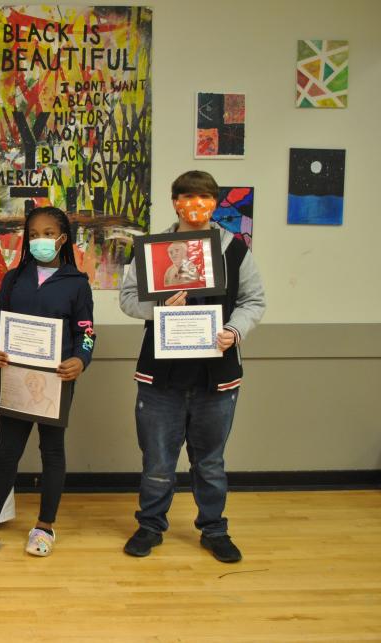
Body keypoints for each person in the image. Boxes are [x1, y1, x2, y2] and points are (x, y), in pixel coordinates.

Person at [120, 170, 265, 563]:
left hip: (216, 377)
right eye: (187, 197)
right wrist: (159, 307)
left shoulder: (235, 249)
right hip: (160, 377)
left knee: (211, 462)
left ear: (215, 203)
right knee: (157, 461)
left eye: (204, 198)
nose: (195, 206)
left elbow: (254, 301)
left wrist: (234, 330)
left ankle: (214, 530)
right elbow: (128, 299)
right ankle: (150, 526)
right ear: (175, 202)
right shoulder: (153, 251)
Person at [0, 206, 95, 559]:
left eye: (47, 233)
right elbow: (1, 324)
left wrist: (81, 359)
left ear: (62, 238)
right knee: (7, 453)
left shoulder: (77, 283)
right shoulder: (14, 279)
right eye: (33, 234)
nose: (39, 240)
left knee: (52, 451)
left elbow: (86, 332)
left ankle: (44, 526)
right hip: (14, 378)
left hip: (56, 379)